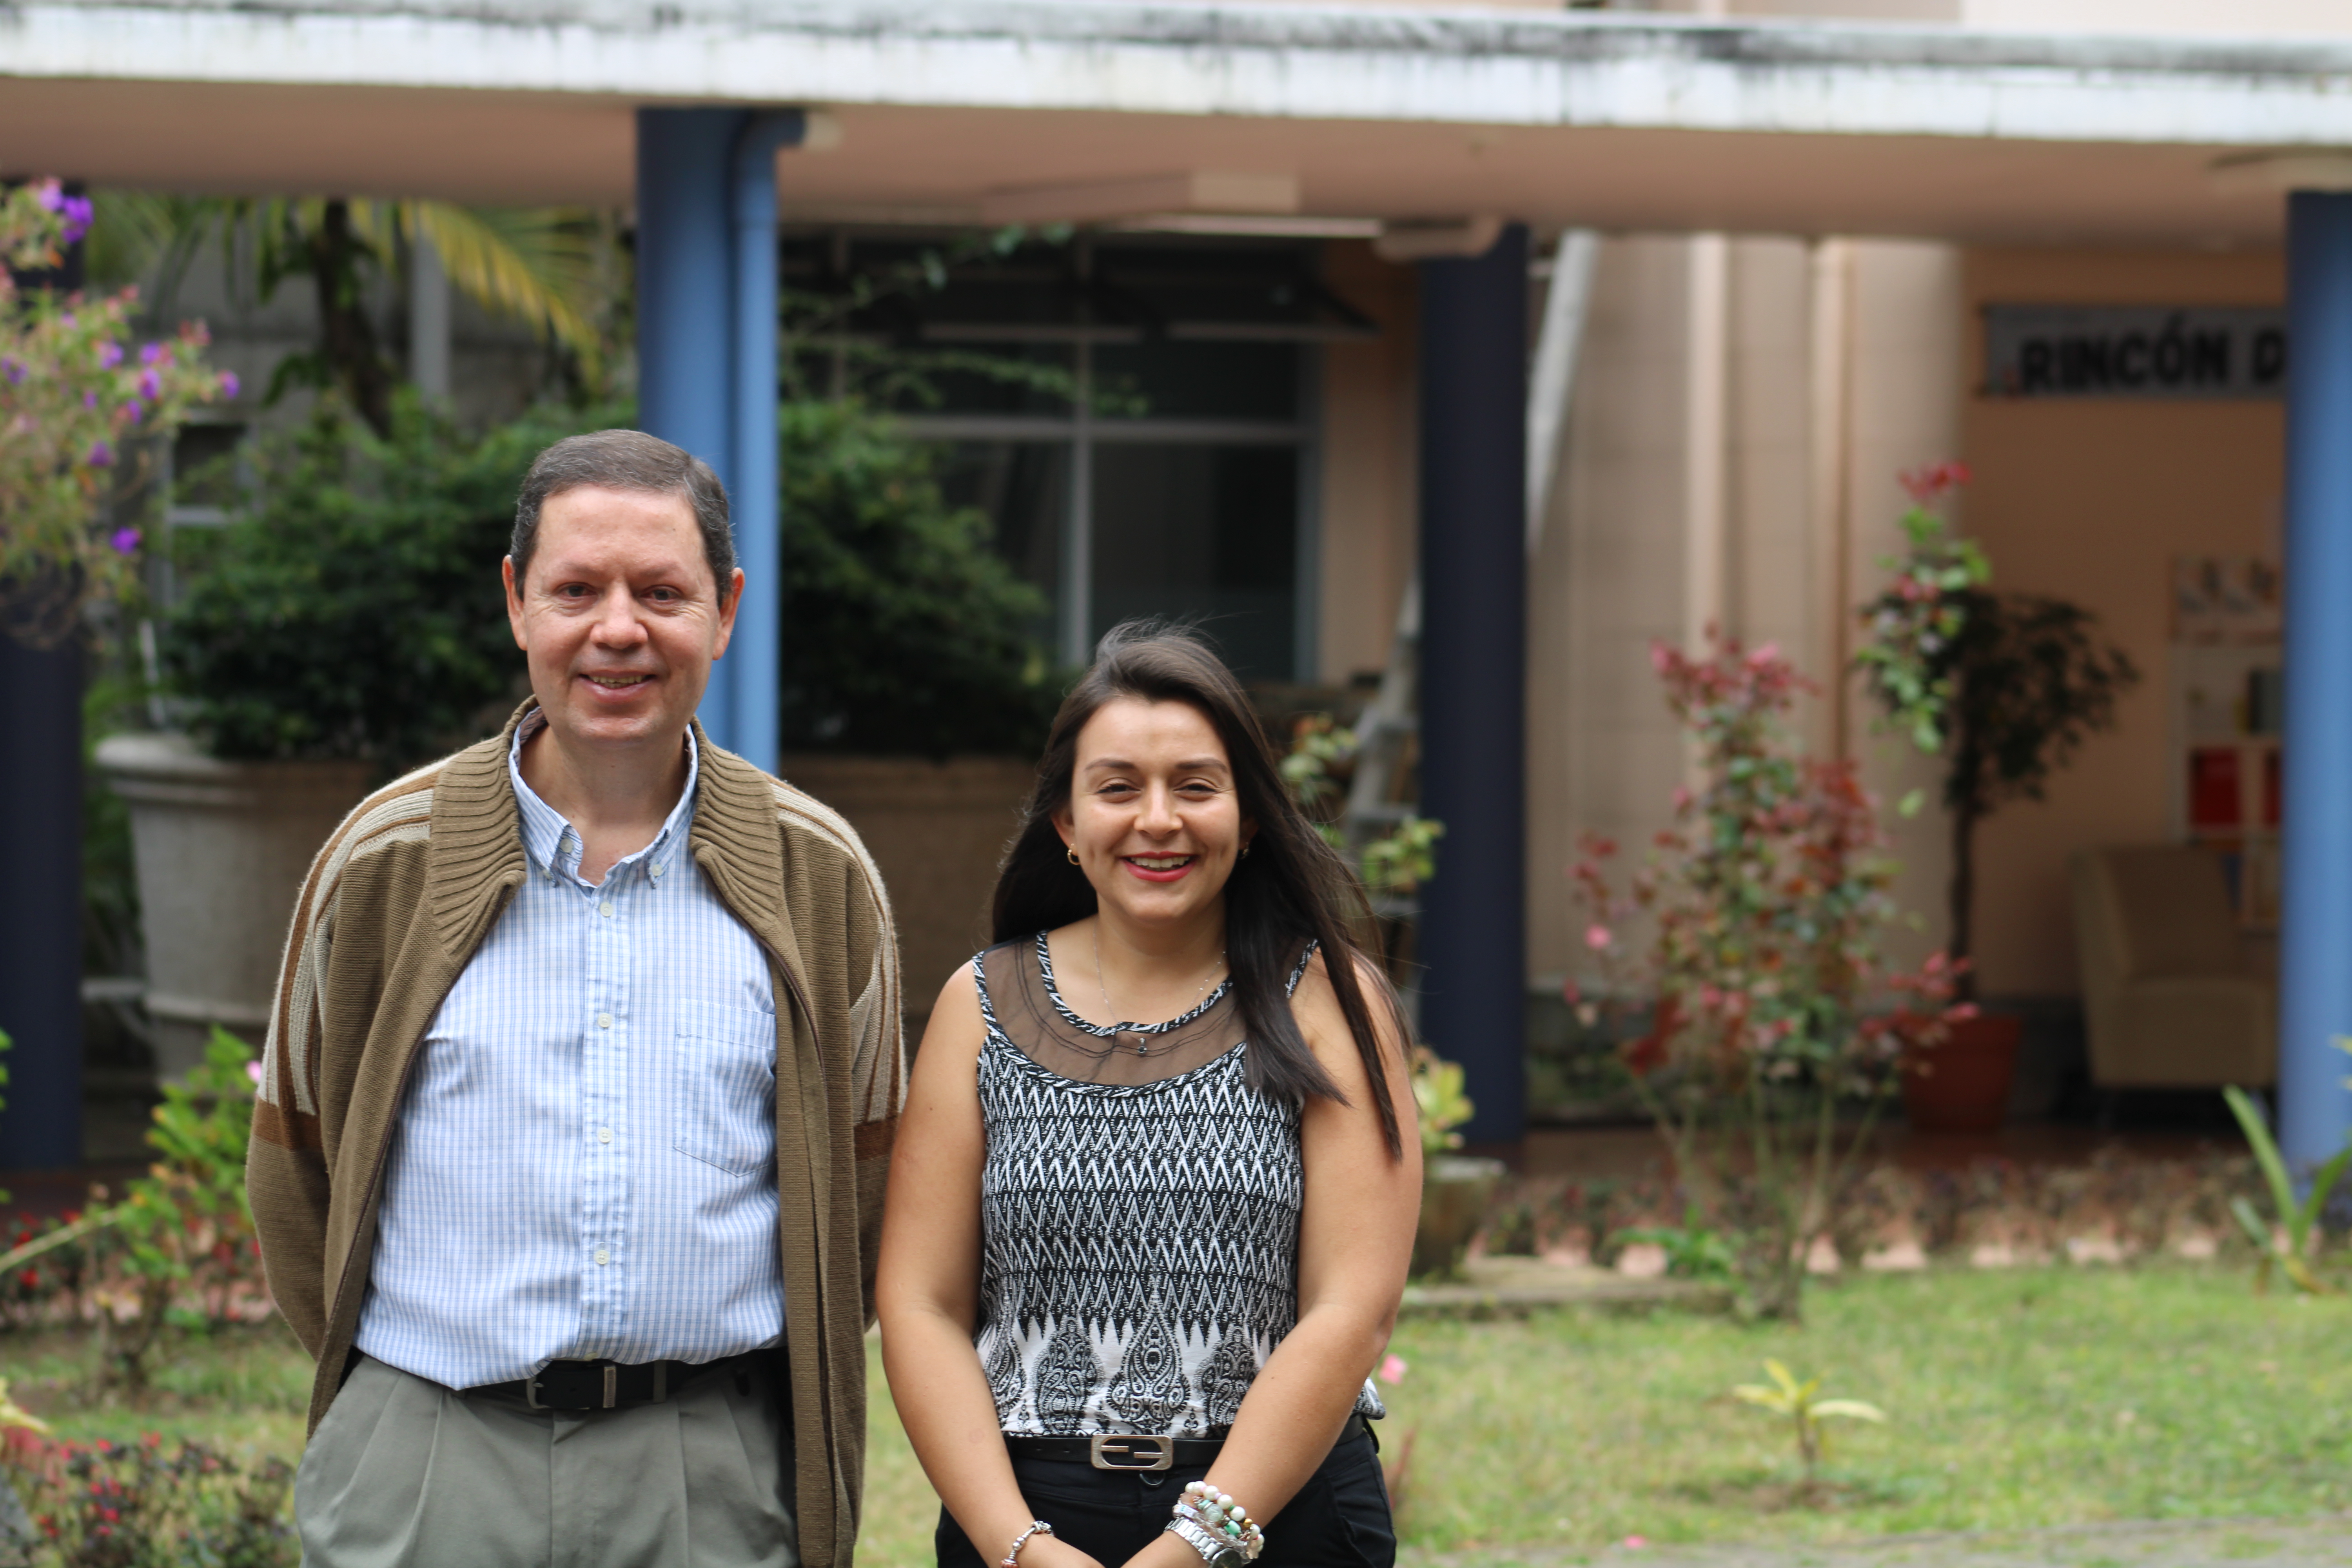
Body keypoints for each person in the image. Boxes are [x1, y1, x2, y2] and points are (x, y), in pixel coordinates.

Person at [246, 429, 905, 1568]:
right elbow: (298, 1166)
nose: (618, 630)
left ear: (726, 608)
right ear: (516, 601)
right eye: (576, 589)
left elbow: (868, 1186)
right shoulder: (383, 858)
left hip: (708, 1471)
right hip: (432, 1460)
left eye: (661, 592)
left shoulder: (821, 874)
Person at [877, 624, 1420, 1568]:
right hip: (1028, 1518)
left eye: (1197, 786)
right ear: (1068, 823)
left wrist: (1192, 1544)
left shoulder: (1330, 999)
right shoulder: (982, 1003)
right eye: (1119, 786)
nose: (1158, 819)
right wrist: (1016, 1546)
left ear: (1248, 817)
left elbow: (1353, 1309)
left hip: (1277, 1518)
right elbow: (920, 1303)